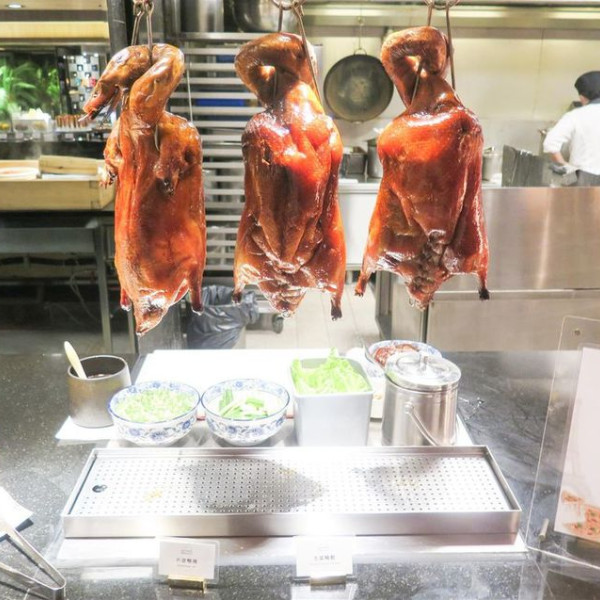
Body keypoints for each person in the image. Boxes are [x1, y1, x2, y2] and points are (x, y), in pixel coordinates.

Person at [543, 71, 600, 186]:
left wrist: (567, 169)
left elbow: (550, 143)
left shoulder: (576, 115)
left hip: (583, 178)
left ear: (583, 96)